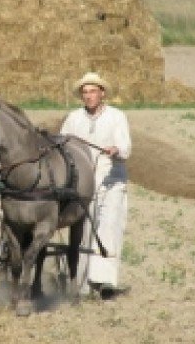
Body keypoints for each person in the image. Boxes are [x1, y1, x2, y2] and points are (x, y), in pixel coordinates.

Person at [60, 72, 131, 299]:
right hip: (82, 184)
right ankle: (81, 283)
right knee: (83, 230)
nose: (88, 96)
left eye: (92, 91)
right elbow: (62, 144)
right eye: (85, 92)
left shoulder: (116, 116)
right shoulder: (74, 118)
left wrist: (116, 150)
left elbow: (125, 146)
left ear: (102, 93)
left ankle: (104, 282)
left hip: (111, 180)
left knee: (107, 228)